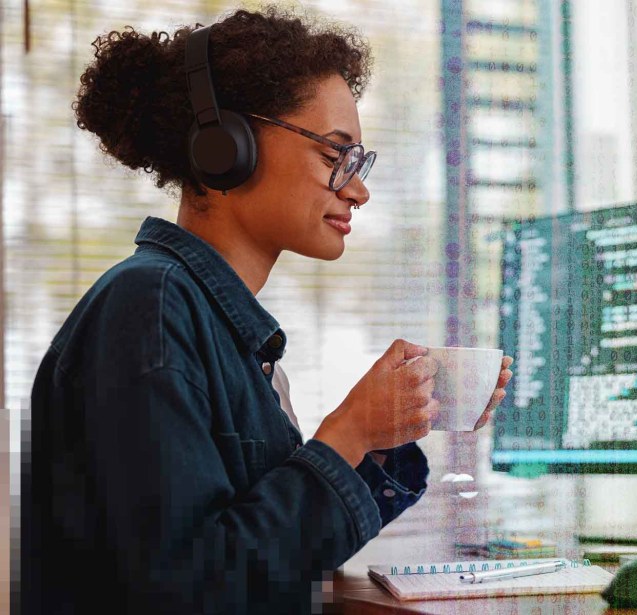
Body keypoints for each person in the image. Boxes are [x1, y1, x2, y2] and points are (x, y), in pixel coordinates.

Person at [21, 7, 513, 614]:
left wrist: (383, 438)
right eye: (336, 154)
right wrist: (348, 432)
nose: (358, 188)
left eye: (359, 163)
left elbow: (267, 553)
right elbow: (186, 589)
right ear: (226, 147)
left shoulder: (212, 327)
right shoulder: (150, 308)